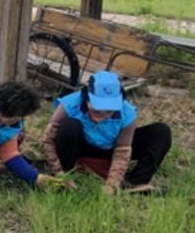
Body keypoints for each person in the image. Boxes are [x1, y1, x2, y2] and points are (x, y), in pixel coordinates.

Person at [42, 71, 171, 194]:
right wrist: (59, 172)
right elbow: (48, 140)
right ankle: (68, 171)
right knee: (69, 126)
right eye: (96, 109)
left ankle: (133, 183)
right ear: (86, 98)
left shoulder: (126, 113)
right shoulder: (70, 105)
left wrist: (111, 185)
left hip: (110, 149)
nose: (102, 115)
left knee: (161, 132)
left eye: (109, 110)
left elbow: (122, 152)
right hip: (79, 148)